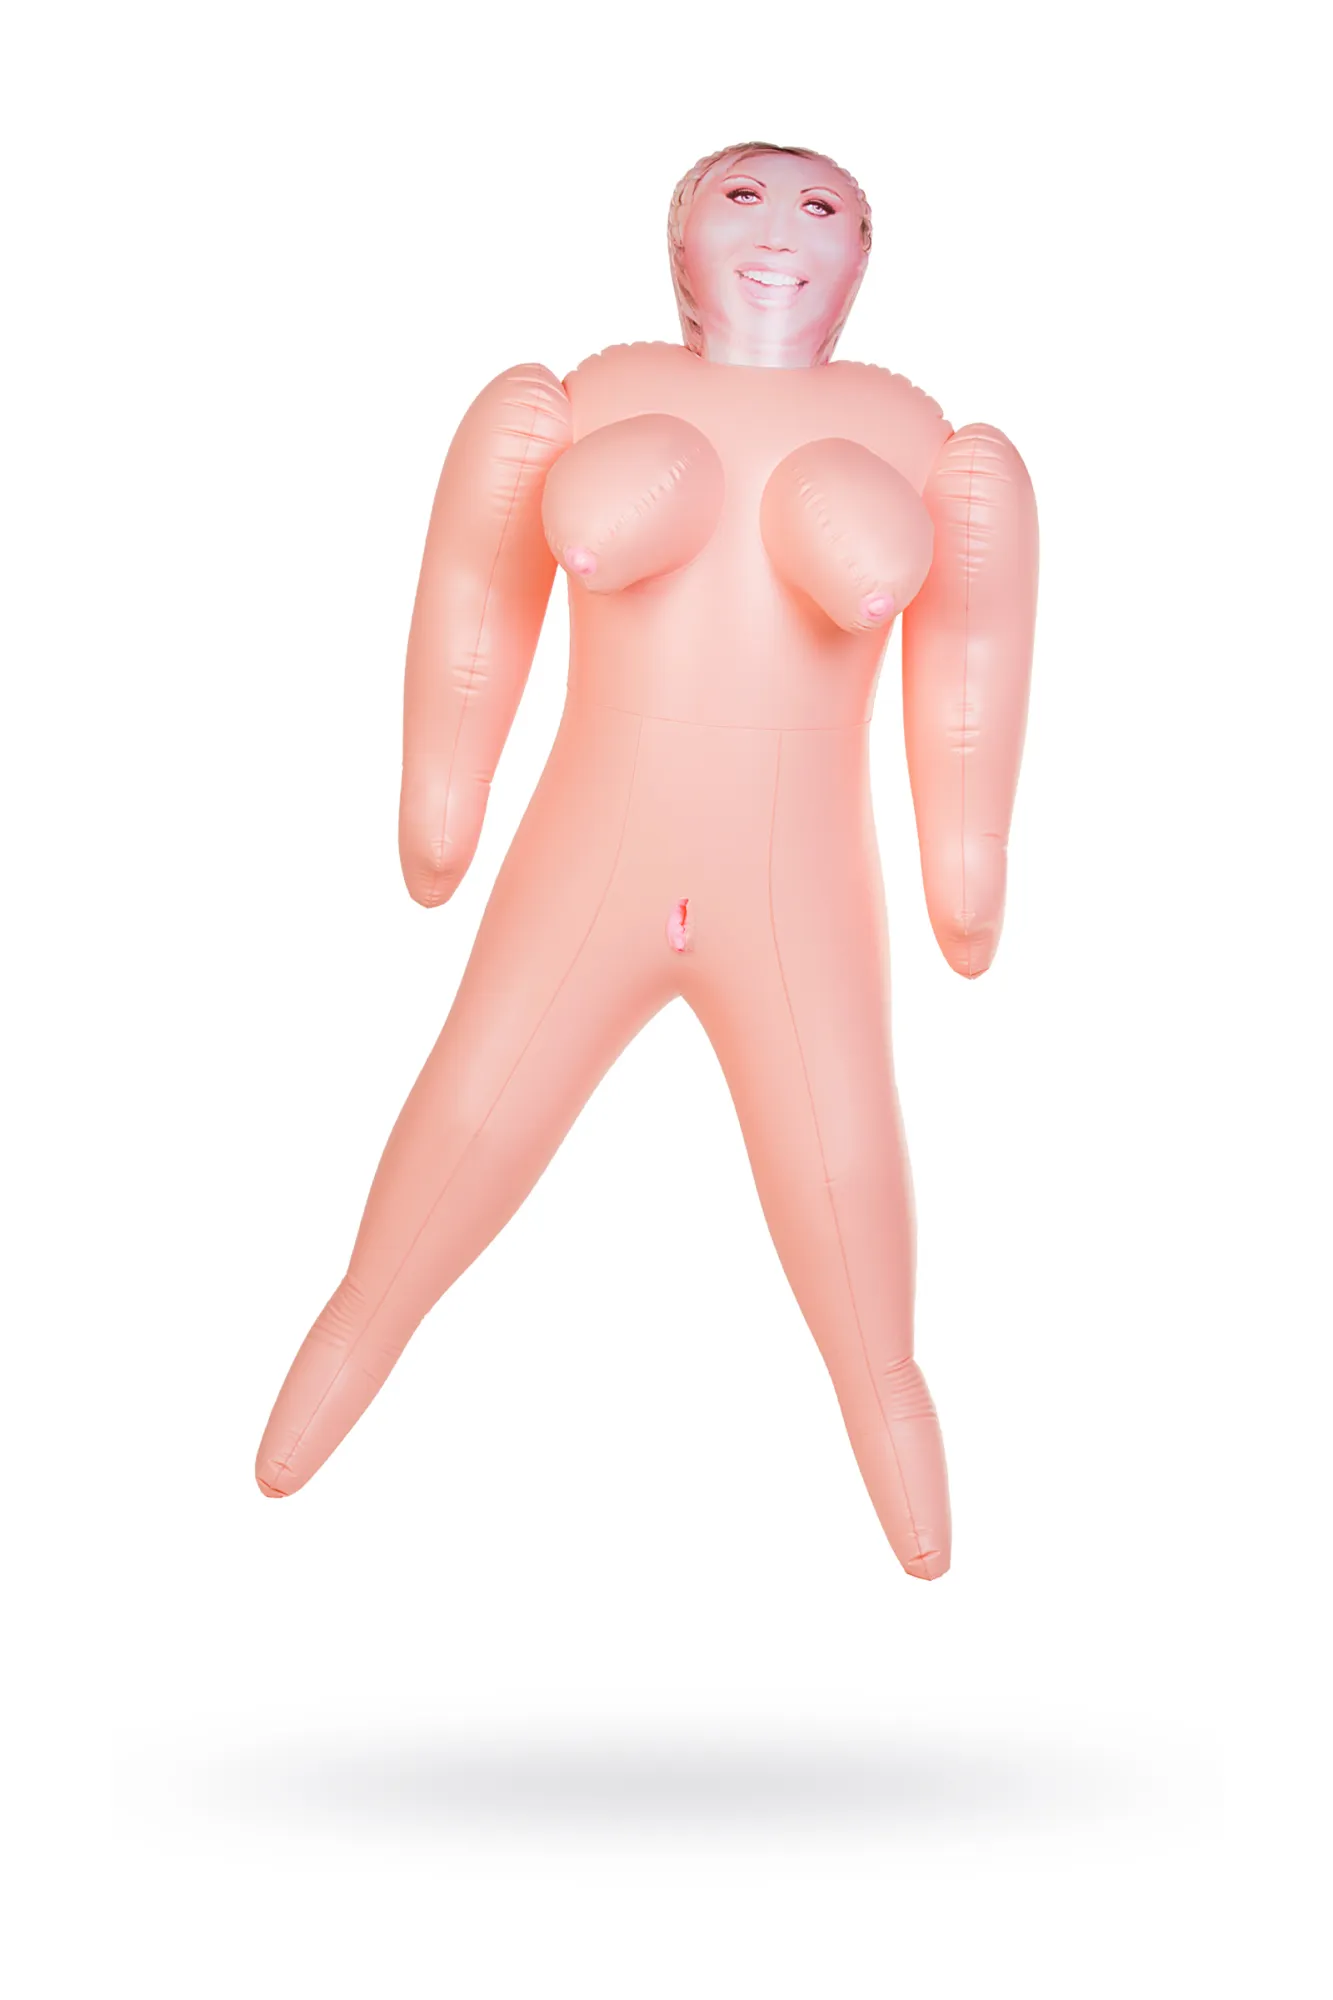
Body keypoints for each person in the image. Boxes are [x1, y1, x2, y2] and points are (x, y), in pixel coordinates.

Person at [255, 141, 1039, 1582]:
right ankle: (351, 1336)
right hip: (592, 860)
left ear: (862, 259)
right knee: (471, 1110)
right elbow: (475, 592)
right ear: (679, 241)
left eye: (823, 209)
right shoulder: (586, 399)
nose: (782, 230)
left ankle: (892, 1409)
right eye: (743, 197)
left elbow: (972, 666)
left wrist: (966, 867)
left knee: (843, 1161)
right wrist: (441, 798)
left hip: (798, 892)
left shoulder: (925, 443)